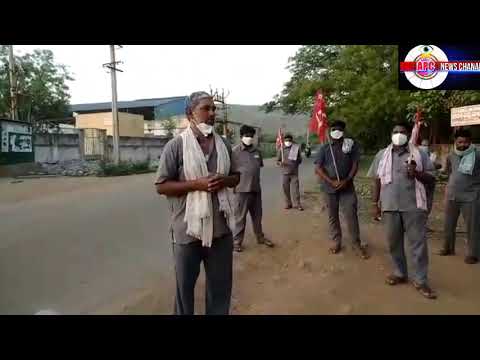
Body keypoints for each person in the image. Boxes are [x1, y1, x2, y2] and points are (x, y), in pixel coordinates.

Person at [155, 91, 240, 315]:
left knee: (220, 289)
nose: (212, 113)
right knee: (184, 290)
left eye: (214, 109)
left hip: (220, 231)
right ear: (190, 113)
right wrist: (197, 184)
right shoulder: (176, 146)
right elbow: (161, 186)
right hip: (187, 232)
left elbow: (236, 177)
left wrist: (225, 180)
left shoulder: (224, 144)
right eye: (206, 108)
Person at [367, 122, 437, 299]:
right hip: (390, 206)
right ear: (391, 134)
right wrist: (375, 204)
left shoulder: (419, 154)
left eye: (402, 132)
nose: (399, 134)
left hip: (414, 207)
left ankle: (421, 280)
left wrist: (417, 173)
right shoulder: (382, 155)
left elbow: (432, 178)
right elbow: (376, 180)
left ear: (408, 134)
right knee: (393, 243)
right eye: (395, 131)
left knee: (418, 245)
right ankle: (400, 272)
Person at [314, 120, 369, 259]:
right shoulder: (324, 148)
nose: (336, 131)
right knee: (333, 216)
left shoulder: (351, 146)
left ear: (344, 131)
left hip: (347, 188)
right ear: (330, 131)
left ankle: (356, 244)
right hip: (329, 188)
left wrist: (347, 179)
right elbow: (318, 168)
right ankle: (336, 241)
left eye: (339, 129)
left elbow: (355, 164)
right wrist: (330, 181)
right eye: (334, 129)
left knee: (351, 215)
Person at [439, 129, 480, 264]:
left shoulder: (478, 155)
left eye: (466, 142)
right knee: (448, 224)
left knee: (472, 226)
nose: (463, 144)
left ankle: (473, 253)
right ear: (455, 142)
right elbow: (447, 172)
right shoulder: (451, 155)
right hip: (452, 194)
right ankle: (448, 248)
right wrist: (437, 169)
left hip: (471, 195)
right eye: (460, 142)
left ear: (471, 142)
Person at [231, 125, 274, 252]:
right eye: (246, 136)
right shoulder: (234, 152)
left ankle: (260, 237)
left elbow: (258, 166)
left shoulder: (257, 151)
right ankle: (237, 242)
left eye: (251, 136)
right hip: (241, 191)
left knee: (257, 216)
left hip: (256, 190)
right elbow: (230, 171)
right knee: (240, 218)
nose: (249, 138)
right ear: (241, 136)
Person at [277, 134, 304, 211]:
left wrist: (296, 161)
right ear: (284, 141)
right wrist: (280, 163)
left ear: (292, 141)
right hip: (285, 173)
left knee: (295, 189)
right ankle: (288, 203)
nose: (288, 142)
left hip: (294, 173)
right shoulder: (281, 149)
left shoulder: (295, 148)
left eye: (289, 140)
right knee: (286, 189)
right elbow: (277, 161)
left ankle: (297, 204)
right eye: (286, 140)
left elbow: (300, 160)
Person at [419, 139, 440, 228]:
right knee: (420, 203)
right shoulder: (417, 155)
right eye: (423, 145)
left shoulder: (433, 155)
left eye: (426, 145)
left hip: (431, 182)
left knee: (429, 203)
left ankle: (424, 224)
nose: (425, 147)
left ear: (429, 146)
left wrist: (435, 166)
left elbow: (438, 165)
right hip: (421, 183)